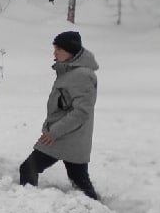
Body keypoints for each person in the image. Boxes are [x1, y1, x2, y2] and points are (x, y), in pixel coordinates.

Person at [19, 31, 101, 200]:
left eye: (59, 49)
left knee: (28, 168)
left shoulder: (82, 75)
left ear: (72, 52)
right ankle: (94, 207)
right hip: (66, 136)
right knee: (79, 180)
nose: (54, 53)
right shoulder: (70, 72)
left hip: (64, 137)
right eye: (55, 48)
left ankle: (27, 202)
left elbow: (81, 112)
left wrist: (54, 131)